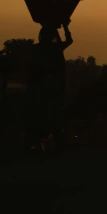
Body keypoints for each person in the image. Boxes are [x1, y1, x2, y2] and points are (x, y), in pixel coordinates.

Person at [33, 21, 73, 150]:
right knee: (54, 116)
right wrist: (66, 26)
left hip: (42, 88)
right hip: (54, 87)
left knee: (44, 116)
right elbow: (69, 40)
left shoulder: (37, 48)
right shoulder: (57, 48)